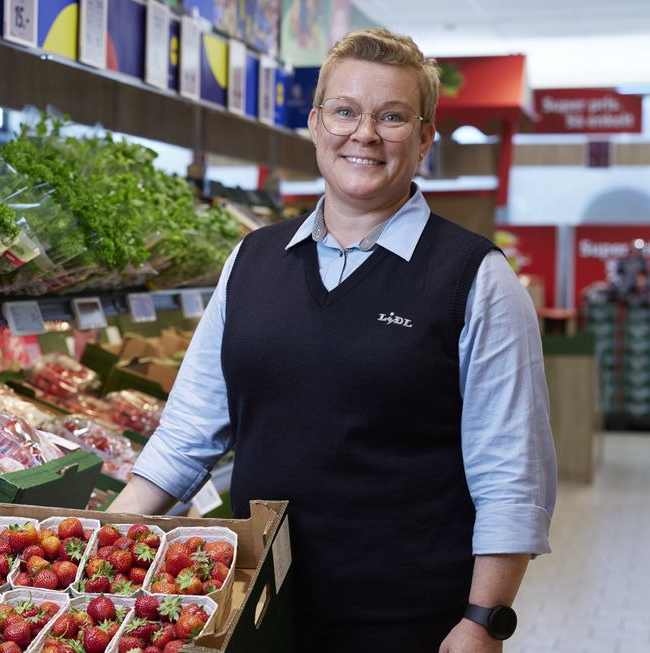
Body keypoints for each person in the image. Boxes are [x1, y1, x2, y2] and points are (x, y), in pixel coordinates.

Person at [109, 27, 557, 653]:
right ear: (317, 124)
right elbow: (188, 431)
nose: (364, 134)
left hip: (406, 620)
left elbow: (511, 470)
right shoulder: (254, 259)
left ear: (425, 136)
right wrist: (99, 542)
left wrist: (485, 620)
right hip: (260, 604)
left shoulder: (474, 278)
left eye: (392, 117)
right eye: (345, 111)